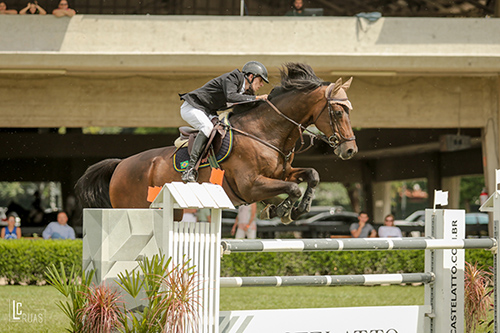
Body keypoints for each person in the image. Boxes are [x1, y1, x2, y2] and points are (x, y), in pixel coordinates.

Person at [179, 61, 269, 182]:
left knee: (222, 129)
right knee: (207, 127)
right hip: (192, 107)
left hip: (207, 111)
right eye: (261, 80)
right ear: (251, 76)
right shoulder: (233, 78)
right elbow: (231, 97)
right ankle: (189, 169)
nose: (262, 85)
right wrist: (258, 97)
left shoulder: (244, 91)